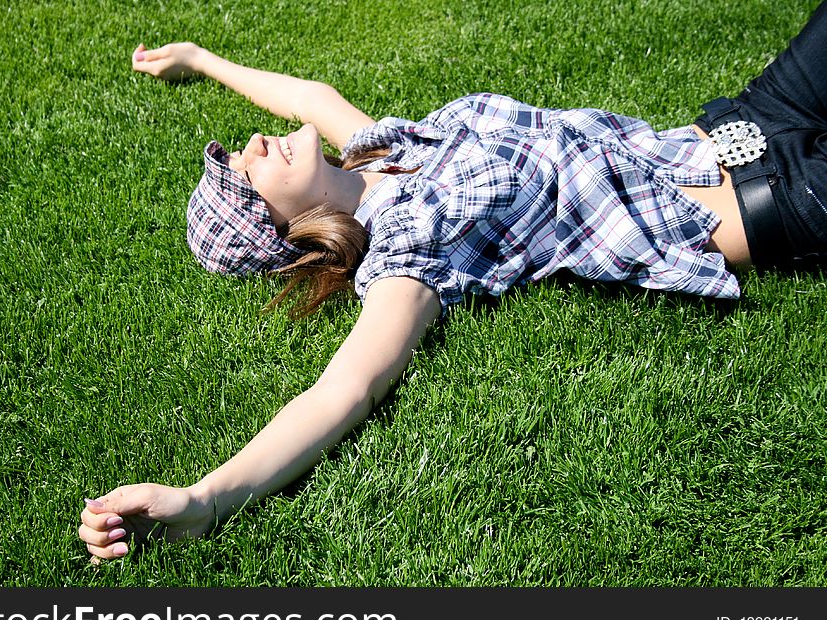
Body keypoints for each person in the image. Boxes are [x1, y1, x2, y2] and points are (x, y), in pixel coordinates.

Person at [79, 3, 827, 561]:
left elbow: (307, 95)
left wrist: (201, 58)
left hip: (746, 121)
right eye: (248, 174)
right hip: (770, 204)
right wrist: (205, 498)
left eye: (236, 152)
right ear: (285, 230)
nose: (250, 146)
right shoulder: (406, 253)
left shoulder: (379, 146)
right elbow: (343, 391)